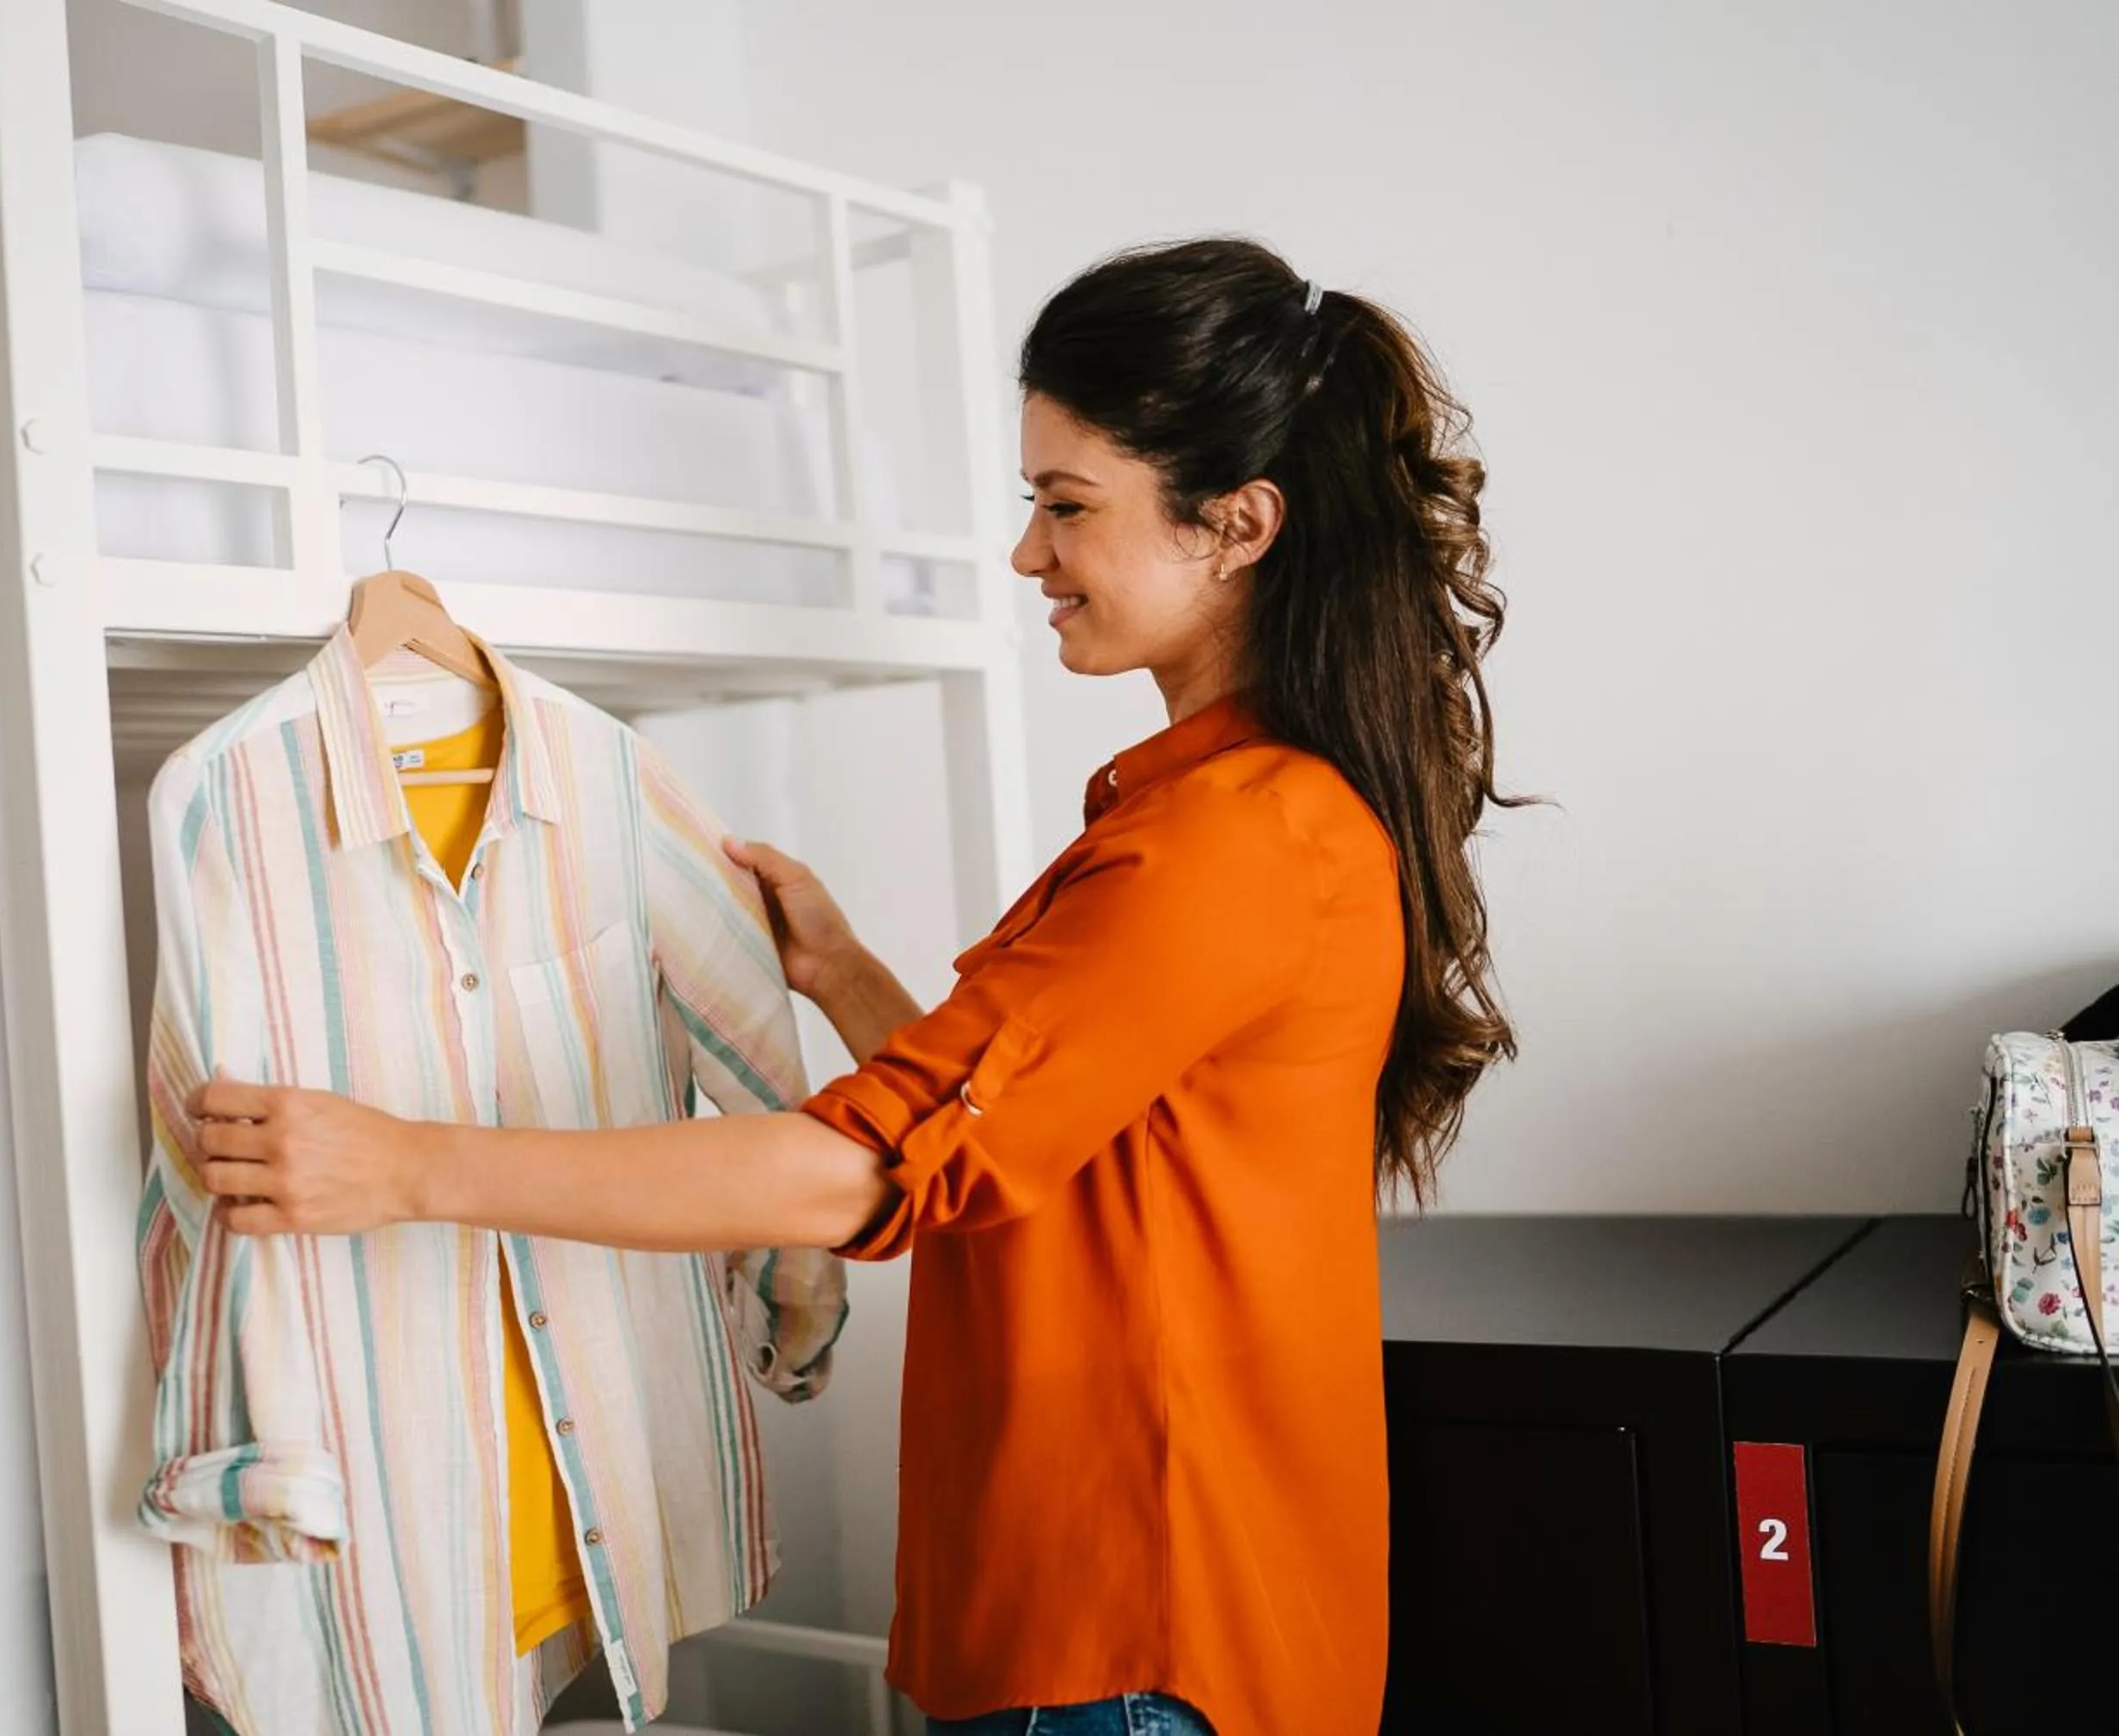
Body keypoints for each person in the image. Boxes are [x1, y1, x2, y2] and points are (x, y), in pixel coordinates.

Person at [179, 238, 1518, 1736]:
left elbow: (871, 1167)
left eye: (1067, 506)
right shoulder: (1241, 817)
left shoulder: (1233, 842)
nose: (1029, 555)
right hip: (1133, 1615)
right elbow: (1050, 1146)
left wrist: (408, 1165)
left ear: (1238, 527)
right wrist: (846, 977)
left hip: (1134, 1629)